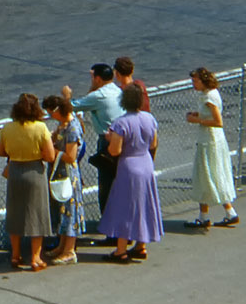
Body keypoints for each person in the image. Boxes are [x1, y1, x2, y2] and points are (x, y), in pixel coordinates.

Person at [98, 83, 163, 262]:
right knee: (144, 204)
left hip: (129, 165)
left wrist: (110, 139)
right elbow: (153, 144)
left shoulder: (121, 122)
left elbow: (115, 150)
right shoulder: (149, 118)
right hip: (146, 163)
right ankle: (141, 245)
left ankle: (121, 250)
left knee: (124, 206)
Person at [0, 92, 56, 270]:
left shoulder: (8, 128)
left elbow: (0, 151)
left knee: (15, 213)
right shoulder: (41, 128)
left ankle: (15, 255)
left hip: (15, 171)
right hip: (35, 171)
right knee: (37, 214)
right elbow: (50, 155)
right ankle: (36, 258)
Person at [63, 63, 124, 225]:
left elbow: (70, 107)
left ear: (97, 78)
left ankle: (110, 226)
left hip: (107, 140)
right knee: (119, 184)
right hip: (123, 140)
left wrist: (67, 95)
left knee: (107, 185)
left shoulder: (99, 96)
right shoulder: (118, 91)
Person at [185, 67, 238, 228]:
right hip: (213, 140)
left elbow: (218, 122)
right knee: (214, 174)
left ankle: (206, 216)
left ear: (203, 81)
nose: (193, 84)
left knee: (206, 175)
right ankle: (225, 212)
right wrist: (199, 115)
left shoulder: (208, 97)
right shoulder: (211, 94)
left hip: (209, 141)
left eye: (195, 81)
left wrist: (197, 120)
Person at [41, 94, 83, 264]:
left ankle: (69, 250)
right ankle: (62, 245)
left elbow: (71, 156)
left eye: (51, 112)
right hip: (59, 173)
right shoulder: (63, 126)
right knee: (61, 210)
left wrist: (53, 152)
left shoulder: (72, 128)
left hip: (67, 175)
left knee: (69, 209)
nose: (50, 116)